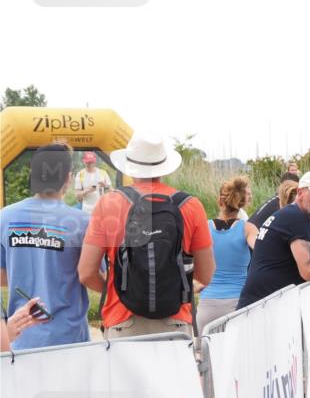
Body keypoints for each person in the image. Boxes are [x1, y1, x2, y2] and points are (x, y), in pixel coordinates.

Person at [78, 134, 216, 339]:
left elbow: (86, 273)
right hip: (176, 323)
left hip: (122, 322)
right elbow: (205, 275)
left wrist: (119, 288)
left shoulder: (108, 204)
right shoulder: (190, 205)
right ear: (164, 166)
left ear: (129, 166)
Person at [0, 143, 91, 349]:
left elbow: (1, 275)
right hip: (70, 339)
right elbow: (90, 274)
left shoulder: (5, 217)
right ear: (68, 178)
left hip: (21, 336)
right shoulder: (81, 222)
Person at [237, 172, 310, 309]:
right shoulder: (295, 217)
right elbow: (309, 270)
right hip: (260, 308)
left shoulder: (299, 217)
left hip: (265, 305)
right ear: (300, 193)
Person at [196, 177, 258, 333]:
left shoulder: (205, 227)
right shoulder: (248, 228)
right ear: (243, 203)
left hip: (207, 304)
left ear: (219, 201)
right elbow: (263, 251)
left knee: (205, 355)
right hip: (236, 304)